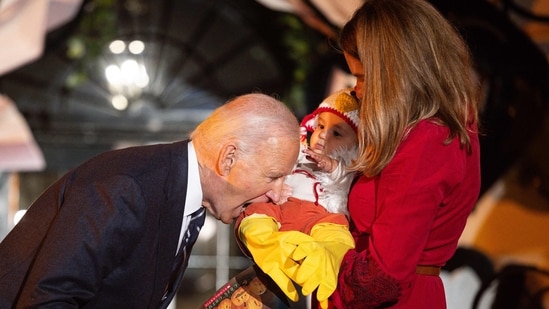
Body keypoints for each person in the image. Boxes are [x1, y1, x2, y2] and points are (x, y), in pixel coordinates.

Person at [0, 93, 301, 308]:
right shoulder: (127, 188)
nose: (278, 193)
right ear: (228, 159)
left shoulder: (184, 195)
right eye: (273, 176)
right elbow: (48, 301)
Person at [326, 0, 482, 308]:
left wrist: (315, 252)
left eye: (363, 76)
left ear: (396, 72)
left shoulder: (427, 139)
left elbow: (380, 279)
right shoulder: (434, 131)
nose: (356, 89)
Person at [235, 88, 359, 308]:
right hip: (281, 208)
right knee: (254, 216)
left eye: (336, 134)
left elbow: (347, 178)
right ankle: (272, 245)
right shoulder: (299, 153)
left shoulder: (348, 170)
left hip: (319, 219)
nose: (322, 135)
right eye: (321, 126)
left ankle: (320, 256)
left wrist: (332, 166)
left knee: (338, 236)